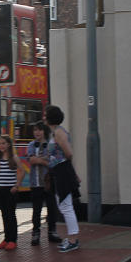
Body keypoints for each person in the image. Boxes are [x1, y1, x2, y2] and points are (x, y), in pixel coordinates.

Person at [44, 105, 81, 252]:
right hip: (59, 171)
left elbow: (69, 153)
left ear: (50, 117)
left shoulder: (59, 133)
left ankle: (73, 239)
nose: (43, 117)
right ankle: (72, 237)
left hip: (62, 171)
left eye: (45, 115)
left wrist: (63, 167)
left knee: (66, 207)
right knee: (65, 206)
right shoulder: (55, 132)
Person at [0, 134, 24, 251]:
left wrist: (16, 185)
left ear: (8, 144)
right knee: (4, 215)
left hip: (10, 190)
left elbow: (22, 171)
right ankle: (6, 239)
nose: (1, 146)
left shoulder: (14, 158)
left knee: (11, 215)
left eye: (3, 143)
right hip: (0, 189)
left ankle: (13, 240)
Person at [27, 122, 62, 246]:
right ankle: (35, 233)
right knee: (36, 210)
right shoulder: (31, 145)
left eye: (39, 130)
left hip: (48, 182)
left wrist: (40, 160)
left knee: (51, 209)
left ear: (44, 131)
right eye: (35, 130)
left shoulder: (51, 145)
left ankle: (52, 232)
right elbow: (31, 160)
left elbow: (53, 162)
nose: (37, 132)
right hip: (35, 183)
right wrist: (44, 160)